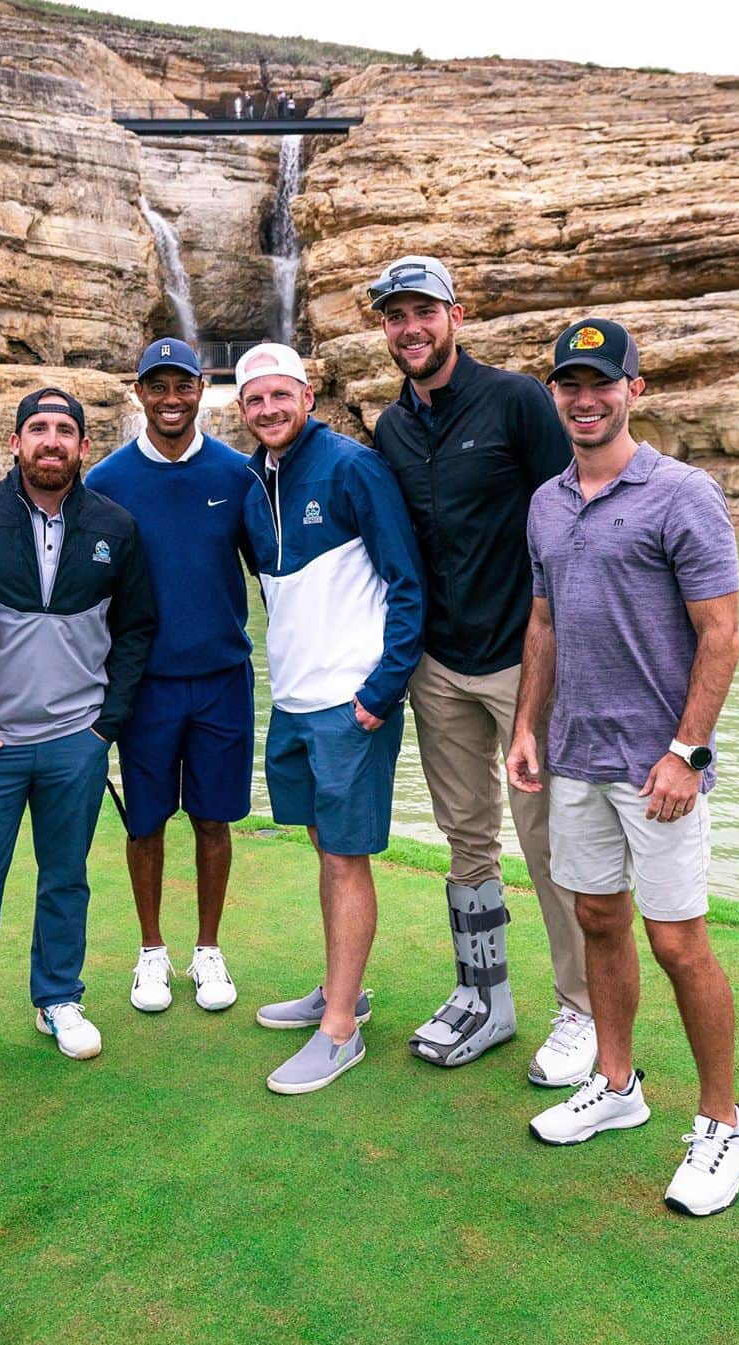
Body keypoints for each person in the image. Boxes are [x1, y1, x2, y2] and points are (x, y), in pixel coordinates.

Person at [507, 318, 739, 1217]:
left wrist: (688, 751)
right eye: (569, 384)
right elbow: (543, 622)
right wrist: (528, 725)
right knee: (598, 919)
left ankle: (726, 1124)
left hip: (658, 765)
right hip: (574, 752)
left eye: (600, 382)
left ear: (634, 390)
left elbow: (721, 633)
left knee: (678, 939)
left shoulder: (682, 493)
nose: (584, 398)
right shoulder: (545, 501)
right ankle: (617, 1086)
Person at [369, 255, 593, 1084]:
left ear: (454, 315)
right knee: (467, 840)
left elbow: (570, 517)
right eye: (395, 316)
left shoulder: (517, 400)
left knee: (552, 843)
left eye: (422, 310)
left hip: (524, 662)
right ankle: (484, 996)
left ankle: (582, 1009)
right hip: (437, 665)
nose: (410, 328)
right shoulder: (391, 427)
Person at [0, 387, 156, 1099]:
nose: (52, 440)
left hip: (74, 740)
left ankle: (58, 999)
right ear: (16, 442)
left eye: (65, 431)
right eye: (38, 429)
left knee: (66, 876)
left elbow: (136, 629)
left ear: (84, 447)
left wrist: (104, 726)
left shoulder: (115, 524)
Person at [238, 343, 424, 1094]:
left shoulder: (352, 467)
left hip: (352, 704)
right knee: (325, 846)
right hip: (292, 701)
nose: (269, 410)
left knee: (346, 857)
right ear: (244, 409)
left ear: (307, 395)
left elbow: (408, 583)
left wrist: (380, 692)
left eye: (281, 395)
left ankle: (340, 1027)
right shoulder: (255, 481)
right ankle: (338, 986)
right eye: (255, 400)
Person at [88, 340, 253, 1013]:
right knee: (145, 825)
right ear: (139, 393)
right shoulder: (105, 480)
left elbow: (275, 572)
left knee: (214, 821)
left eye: (183, 385)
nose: (172, 399)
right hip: (146, 683)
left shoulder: (240, 473)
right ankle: (151, 951)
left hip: (223, 677)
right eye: (157, 386)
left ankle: (208, 950)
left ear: (202, 388)